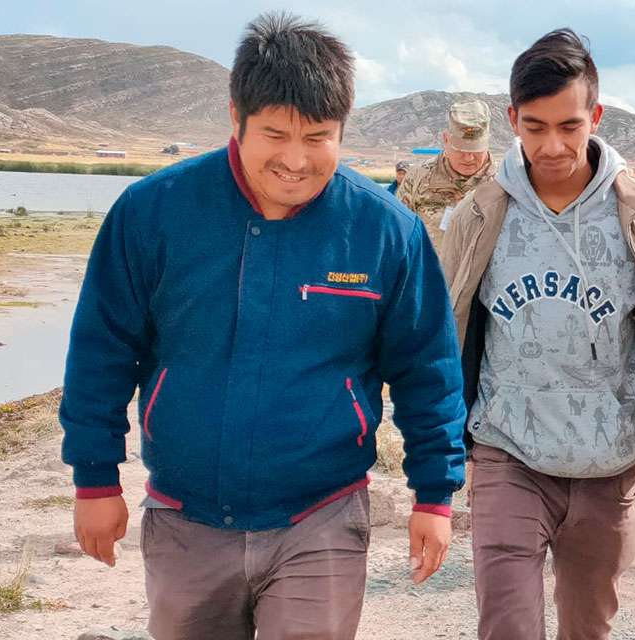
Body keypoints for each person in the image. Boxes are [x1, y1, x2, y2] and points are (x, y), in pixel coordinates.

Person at [59, 13, 467, 640]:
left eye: (319, 137)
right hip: (184, 517)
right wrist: (95, 478)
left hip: (322, 517)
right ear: (235, 117)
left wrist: (434, 494)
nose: (296, 160)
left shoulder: (388, 232)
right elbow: (101, 351)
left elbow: (427, 371)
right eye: (275, 134)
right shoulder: (152, 213)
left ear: (342, 130)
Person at [440, 28, 635, 640]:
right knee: (506, 626)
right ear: (511, 120)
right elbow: (445, 335)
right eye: (534, 128)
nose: (552, 145)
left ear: (597, 117)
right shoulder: (478, 216)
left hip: (609, 463)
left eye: (569, 125)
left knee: (588, 628)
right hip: (507, 452)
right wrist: (441, 462)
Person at [397, 99, 498, 249]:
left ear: (488, 142)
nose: (468, 158)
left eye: (475, 149)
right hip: (431, 271)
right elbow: (398, 235)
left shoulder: (504, 185)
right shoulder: (417, 178)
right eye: (461, 149)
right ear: (446, 140)